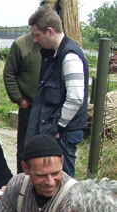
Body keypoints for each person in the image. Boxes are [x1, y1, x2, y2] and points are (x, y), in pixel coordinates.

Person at [26, 5, 89, 178]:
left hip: (65, 133)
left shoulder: (69, 56)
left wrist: (58, 126)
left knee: (64, 182)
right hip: (61, 131)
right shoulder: (57, 54)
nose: (36, 40)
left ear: (50, 31)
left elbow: (76, 98)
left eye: (38, 34)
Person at [3, 32, 41, 174]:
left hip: (50, 108)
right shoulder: (21, 44)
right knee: (25, 150)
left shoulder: (57, 43)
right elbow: (9, 73)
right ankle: (22, 186)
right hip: (29, 107)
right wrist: (19, 99)